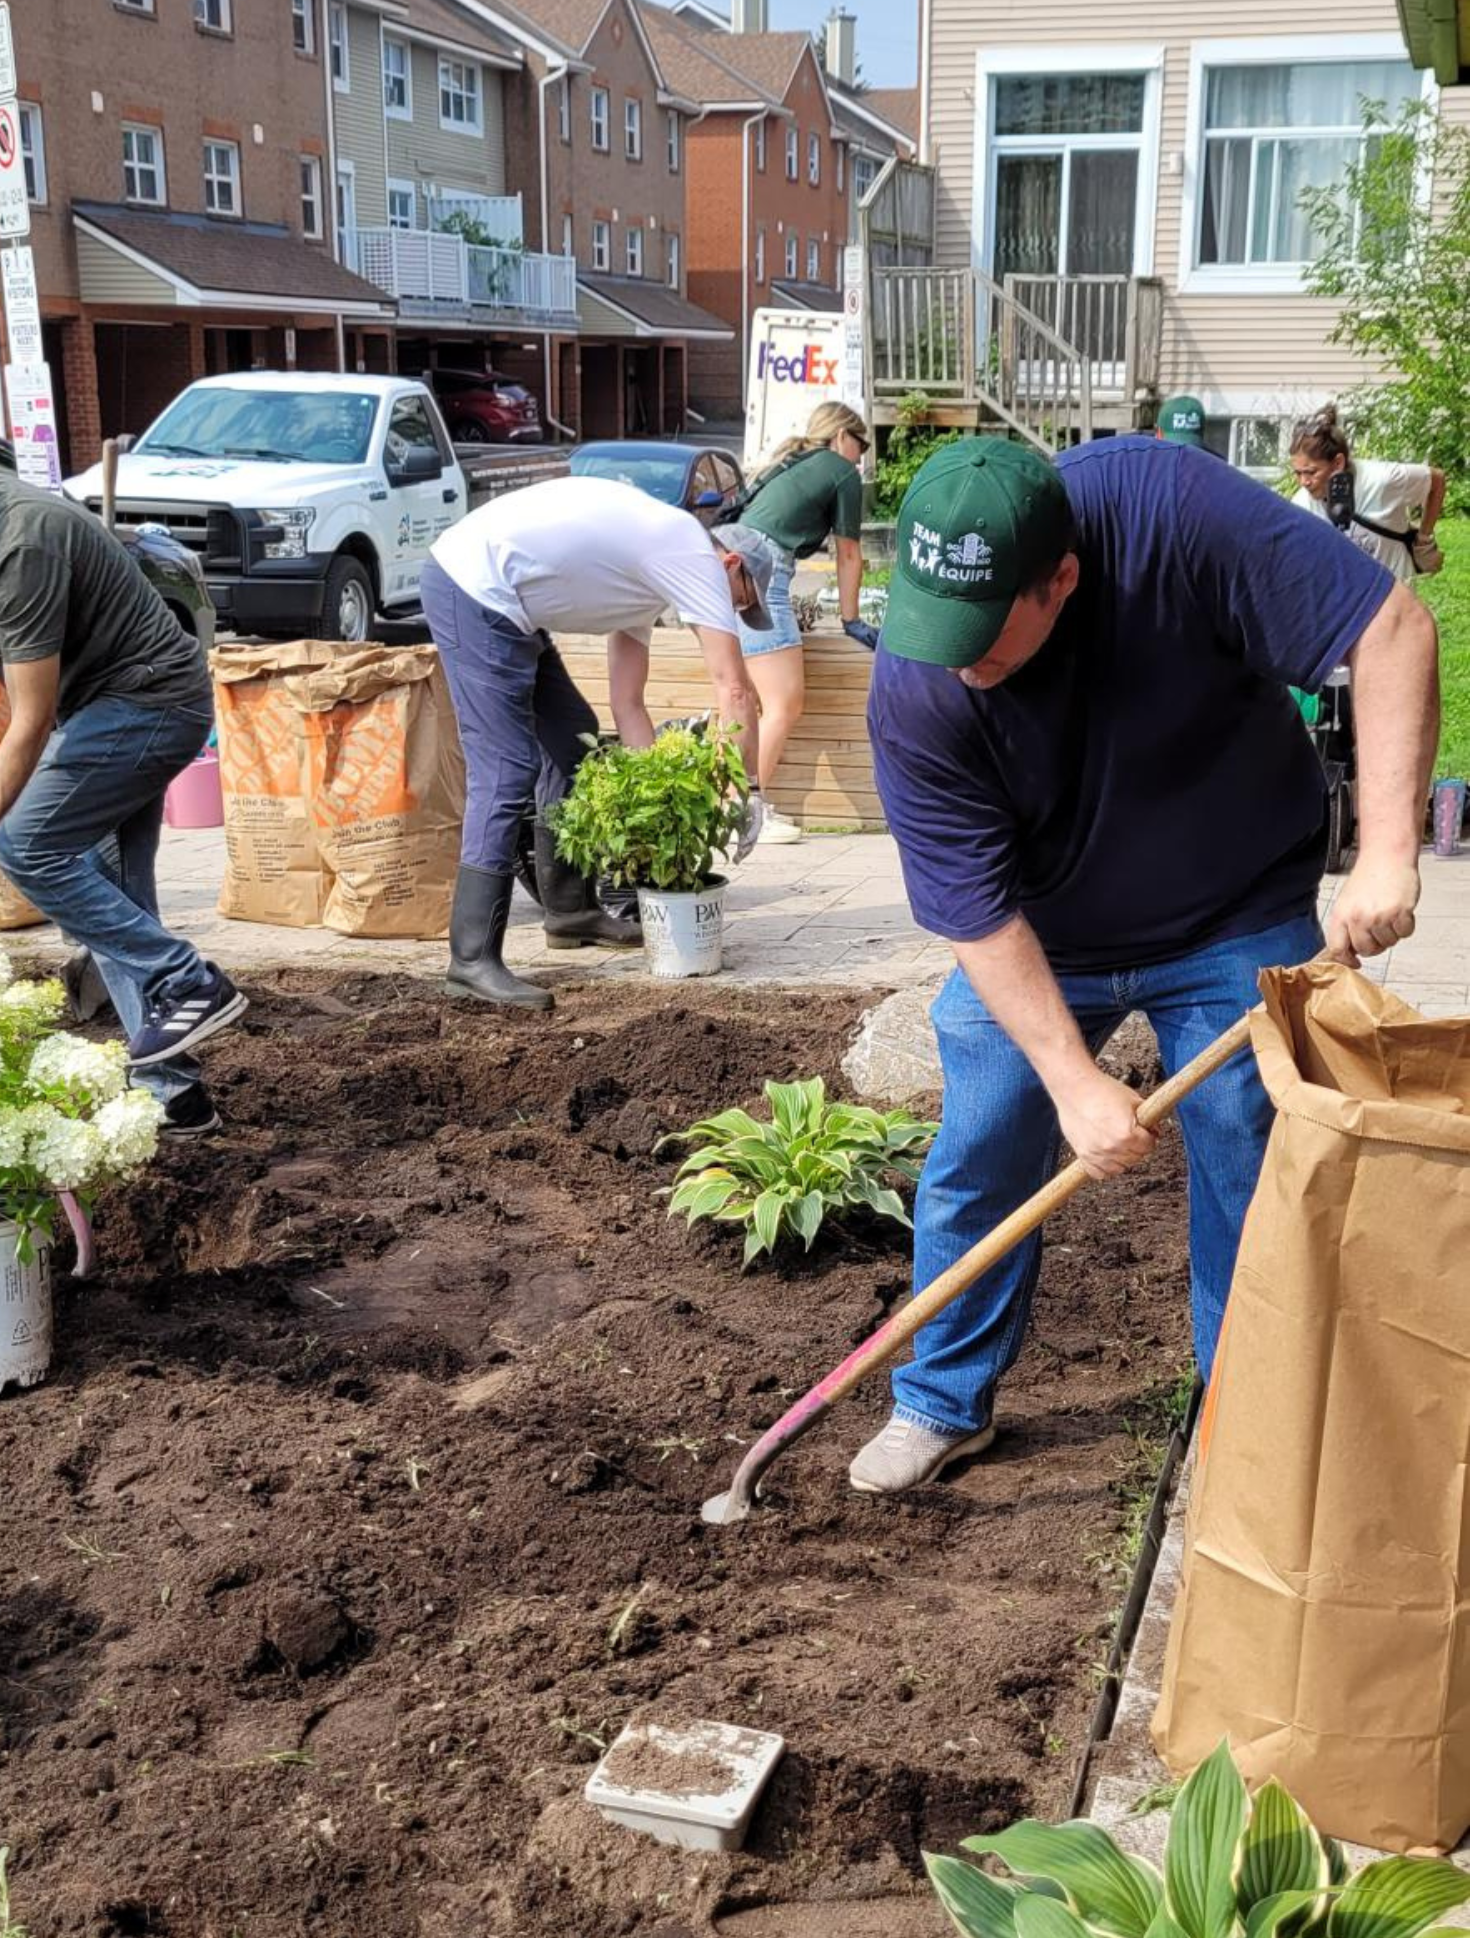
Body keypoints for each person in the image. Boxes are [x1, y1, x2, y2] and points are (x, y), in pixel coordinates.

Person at [851, 433, 1438, 1496]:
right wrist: (1076, 1085)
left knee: (1249, 1157)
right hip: (1041, 935)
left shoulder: (1169, 511)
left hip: (1233, 905)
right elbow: (976, 918)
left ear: (1062, 580)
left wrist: (1389, 849)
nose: (958, 658)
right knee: (982, 1139)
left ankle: (1246, 1428)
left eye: (986, 634)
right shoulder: (920, 688)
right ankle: (941, 1402)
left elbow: (1390, 626)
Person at [0, 468, 247, 1135]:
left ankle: (187, 977)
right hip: (108, 710)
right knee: (111, 900)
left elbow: (28, 721)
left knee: (25, 845)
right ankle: (173, 1093)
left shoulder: (19, 542)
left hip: (147, 705)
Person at [421, 477, 773, 1013]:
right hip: (473, 586)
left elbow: (627, 703)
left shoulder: (650, 576)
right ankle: (471, 959)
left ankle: (570, 912)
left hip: (503, 600)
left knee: (573, 737)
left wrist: (658, 811)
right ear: (731, 568)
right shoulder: (691, 552)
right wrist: (746, 790)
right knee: (507, 769)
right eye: (740, 603)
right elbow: (735, 689)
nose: (729, 616)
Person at [715, 401, 876, 846]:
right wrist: (852, 621)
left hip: (725, 560)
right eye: (860, 444)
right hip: (758, 570)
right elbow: (848, 554)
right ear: (842, 436)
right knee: (784, 701)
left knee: (742, 699)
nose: (860, 457)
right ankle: (744, 814)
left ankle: (726, 807)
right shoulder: (840, 471)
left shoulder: (796, 462)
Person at [1290, 404, 1445, 588]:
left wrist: (1424, 538)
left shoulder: (1382, 480)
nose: (1304, 482)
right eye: (1298, 473)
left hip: (1395, 595)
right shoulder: (1300, 505)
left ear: (1338, 463)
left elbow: (1437, 480)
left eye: (1311, 472)